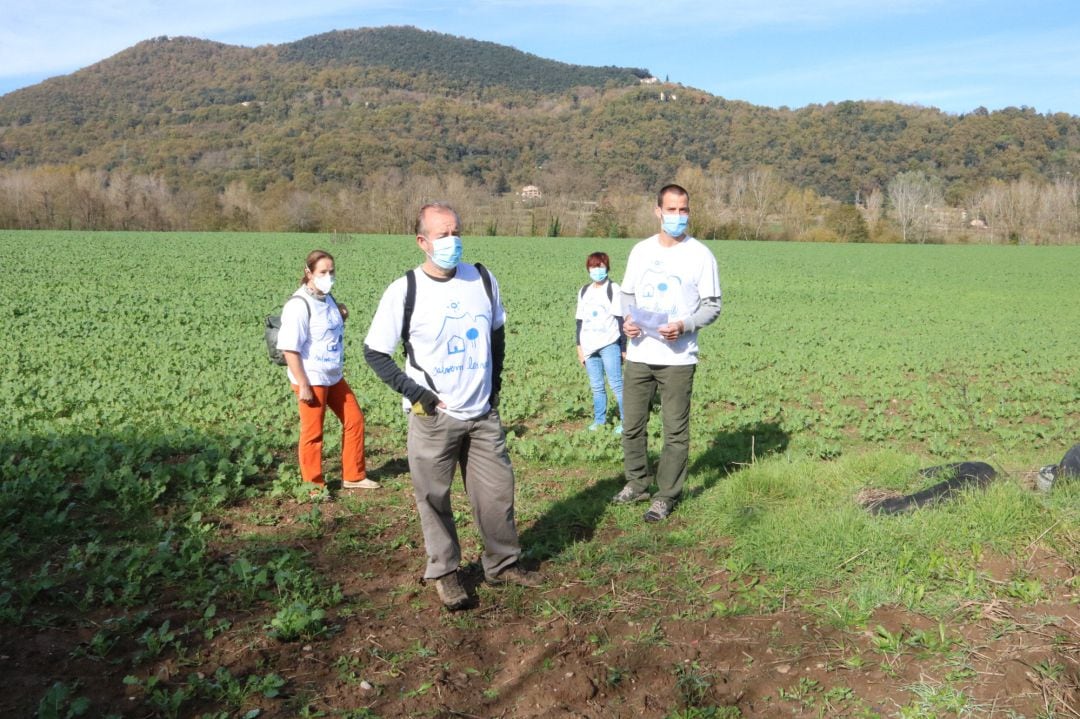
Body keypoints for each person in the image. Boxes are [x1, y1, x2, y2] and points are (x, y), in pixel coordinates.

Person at [363, 202, 541, 610]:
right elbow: (375, 352)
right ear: (422, 242)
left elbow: (497, 332)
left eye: (456, 231)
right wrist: (418, 395)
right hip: (433, 418)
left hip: (482, 414)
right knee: (433, 498)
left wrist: (493, 387)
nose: (452, 241)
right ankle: (445, 572)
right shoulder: (405, 290)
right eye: (442, 235)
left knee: (497, 494)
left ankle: (503, 563)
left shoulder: (481, 278)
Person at [612, 184, 722, 522]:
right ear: (657, 211)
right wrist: (627, 322)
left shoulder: (700, 254)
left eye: (683, 210)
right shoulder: (641, 251)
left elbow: (712, 306)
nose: (678, 216)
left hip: (678, 358)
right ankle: (636, 482)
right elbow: (627, 295)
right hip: (640, 354)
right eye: (671, 210)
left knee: (675, 431)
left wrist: (685, 325)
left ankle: (666, 495)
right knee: (632, 425)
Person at [276, 249, 375, 496]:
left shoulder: (327, 298)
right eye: (323, 272)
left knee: (354, 420)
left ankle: (353, 476)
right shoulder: (298, 305)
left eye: (331, 271)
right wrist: (304, 384)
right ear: (308, 273)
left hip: (333, 375)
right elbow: (290, 349)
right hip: (310, 377)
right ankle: (313, 486)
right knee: (313, 432)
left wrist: (341, 313)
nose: (328, 276)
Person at [575, 251, 625, 434]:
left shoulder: (614, 289)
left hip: (609, 343)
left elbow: (620, 319)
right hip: (588, 345)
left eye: (600, 266)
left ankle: (626, 422)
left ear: (607, 268)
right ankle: (599, 421)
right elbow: (579, 322)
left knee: (616, 385)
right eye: (593, 267)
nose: (597, 270)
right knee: (596, 386)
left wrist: (623, 347)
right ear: (588, 269)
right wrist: (579, 347)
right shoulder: (584, 291)